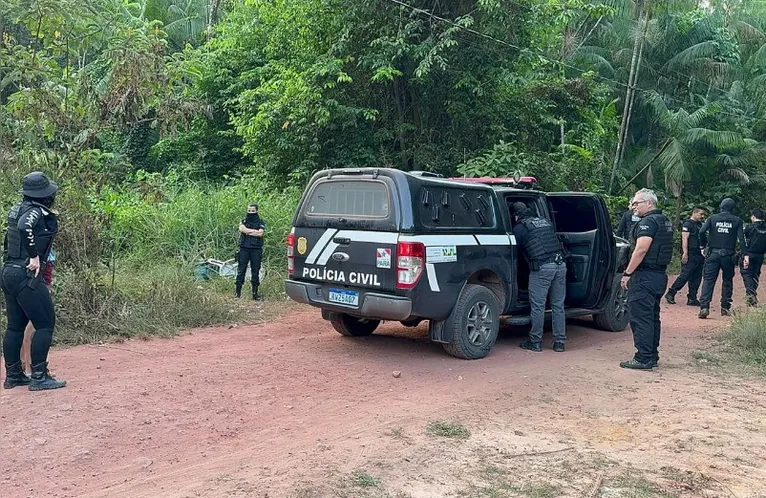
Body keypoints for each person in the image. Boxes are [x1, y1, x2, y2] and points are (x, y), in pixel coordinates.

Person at [2, 172, 66, 391]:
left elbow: (10, 238)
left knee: (14, 327)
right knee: (45, 324)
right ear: (45, 195)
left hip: (9, 271)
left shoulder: (16, 209)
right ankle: (39, 375)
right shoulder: (36, 211)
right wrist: (34, 256)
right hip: (25, 274)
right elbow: (24, 227)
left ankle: (14, 375)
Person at [619, 189, 673, 370]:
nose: (633, 207)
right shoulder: (664, 221)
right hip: (659, 275)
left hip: (645, 276)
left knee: (640, 317)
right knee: (651, 317)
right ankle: (651, 355)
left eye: (637, 203)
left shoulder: (648, 222)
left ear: (649, 203)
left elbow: (641, 250)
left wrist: (627, 273)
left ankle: (643, 358)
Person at [512, 202, 567, 353]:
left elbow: (513, 251)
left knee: (538, 306)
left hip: (542, 268)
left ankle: (535, 341)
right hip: (560, 264)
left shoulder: (520, 228)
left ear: (516, 215)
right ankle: (559, 343)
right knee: (558, 305)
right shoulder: (545, 222)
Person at [698, 198, 746, 319]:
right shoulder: (737, 220)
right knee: (727, 281)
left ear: (721, 207)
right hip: (729, 255)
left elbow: (701, 232)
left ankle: (704, 307)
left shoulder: (713, 218)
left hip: (713, 253)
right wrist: (745, 254)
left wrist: (703, 246)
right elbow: (742, 239)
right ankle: (725, 308)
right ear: (732, 208)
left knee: (708, 280)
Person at [665, 207, 707, 306]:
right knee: (685, 275)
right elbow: (684, 239)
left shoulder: (700, 225)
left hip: (699, 254)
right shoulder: (688, 224)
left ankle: (692, 298)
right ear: (694, 213)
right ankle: (671, 293)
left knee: (697, 277)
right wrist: (685, 253)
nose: (702, 216)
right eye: (701, 214)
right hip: (690, 253)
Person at [235, 203, 265, 300]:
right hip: (244, 249)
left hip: (256, 250)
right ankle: (237, 294)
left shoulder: (260, 221)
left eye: (252, 211)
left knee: (255, 271)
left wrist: (248, 231)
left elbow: (260, 233)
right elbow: (242, 229)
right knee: (241, 271)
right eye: (249, 211)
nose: (250, 212)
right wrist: (254, 232)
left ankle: (255, 294)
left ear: (256, 211)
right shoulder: (243, 220)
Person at [741, 208, 766, 306]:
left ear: (753, 217)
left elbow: (743, 240)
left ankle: (751, 295)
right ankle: (751, 296)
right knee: (755, 275)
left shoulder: (749, 227)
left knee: (747, 274)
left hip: (749, 254)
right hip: (760, 255)